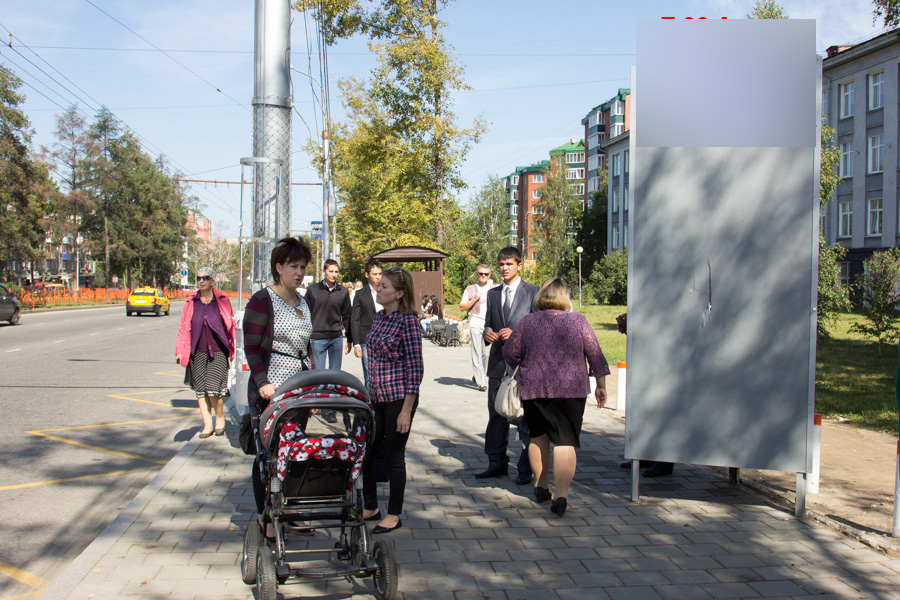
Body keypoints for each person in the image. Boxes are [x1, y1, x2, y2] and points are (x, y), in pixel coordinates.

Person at [503, 277, 609, 516]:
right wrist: (601, 386)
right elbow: (595, 355)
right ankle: (561, 495)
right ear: (565, 298)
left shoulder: (527, 321)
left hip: (534, 390)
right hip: (571, 391)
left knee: (538, 436)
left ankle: (540, 486)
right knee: (565, 441)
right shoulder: (578, 320)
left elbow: (510, 353)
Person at [242, 237, 314, 530]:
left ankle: (291, 510)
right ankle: (266, 517)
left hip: (300, 386)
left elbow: (307, 346)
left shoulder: (303, 300)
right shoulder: (263, 299)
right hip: (272, 387)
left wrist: (314, 385)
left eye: (303, 267)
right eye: (294, 266)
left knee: (295, 451)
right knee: (269, 456)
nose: (299, 273)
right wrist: (262, 382)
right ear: (279, 267)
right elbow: (252, 347)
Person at [361, 267, 423, 534]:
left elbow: (416, 367)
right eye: (379, 284)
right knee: (368, 452)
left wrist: (406, 411)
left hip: (399, 399)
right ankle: (371, 506)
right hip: (376, 397)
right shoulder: (379, 318)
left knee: (394, 456)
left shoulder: (408, 321)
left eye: (385, 286)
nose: (379, 288)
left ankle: (394, 513)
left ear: (399, 293)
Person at [477, 246, 538, 485]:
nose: (504, 268)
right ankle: (496, 463)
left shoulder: (533, 292)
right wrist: (487, 333)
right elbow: (488, 323)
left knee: (524, 418)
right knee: (495, 414)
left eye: (509, 264)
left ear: (519, 265)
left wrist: (517, 333)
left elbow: (539, 328)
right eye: (501, 264)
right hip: (497, 363)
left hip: (523, 367)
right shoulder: (492, 294)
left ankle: (526, 468)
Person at [175, 267, 236, 438]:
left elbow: (230, 327)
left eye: (205, 278)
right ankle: (207, 424)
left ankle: (220, 418)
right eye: (199, 278)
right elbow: (183, 328)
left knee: (214, 391)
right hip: (197, 351)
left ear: (212, 281)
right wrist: (180, 350)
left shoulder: (222, 300)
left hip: (218, 351)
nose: (201, 281)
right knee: (201, 391)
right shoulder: (191, 302)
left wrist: (233, 350)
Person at [614, 312, 674, 478]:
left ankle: (663, 462)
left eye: (622, 327)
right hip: (647, 373)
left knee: (662, 417)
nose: (620, 330)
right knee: (646, 416)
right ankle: (646, 456)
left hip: (664, 374)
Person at [305, 259, 352, 371]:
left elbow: (347, 316)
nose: (334, 275)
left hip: (336, 337)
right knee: (318, 374)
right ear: (324, 271)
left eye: (336, 272)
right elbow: (306, 313)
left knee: (335, 374)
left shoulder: (343, 291)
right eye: (331, 271)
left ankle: (332, 389)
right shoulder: (313, 290)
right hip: (317, 337)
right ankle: (320, 389)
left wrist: (350, 338)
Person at [460, 265, 494, 392]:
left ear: (489, 275)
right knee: (476, 352)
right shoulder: (470, 289)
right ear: (477, 274)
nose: (483, 276)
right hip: (475, 322)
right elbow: (462, 307)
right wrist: (474, 299)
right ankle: (481, 382)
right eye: (481, 273)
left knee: (487, 353)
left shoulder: (493, 289)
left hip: (489, 324)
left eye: (486, 274)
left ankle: (478, 375)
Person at [351, 259, 383, 388]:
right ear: (367, 275)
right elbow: (355, 319)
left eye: (380, 274)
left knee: (384, 373)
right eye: (374, 274)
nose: (378, 277)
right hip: (367, 339)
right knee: (369, 374)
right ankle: (370, 403)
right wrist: (356, 343)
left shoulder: (386, 291)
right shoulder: (360, 294)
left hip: (385, 338)